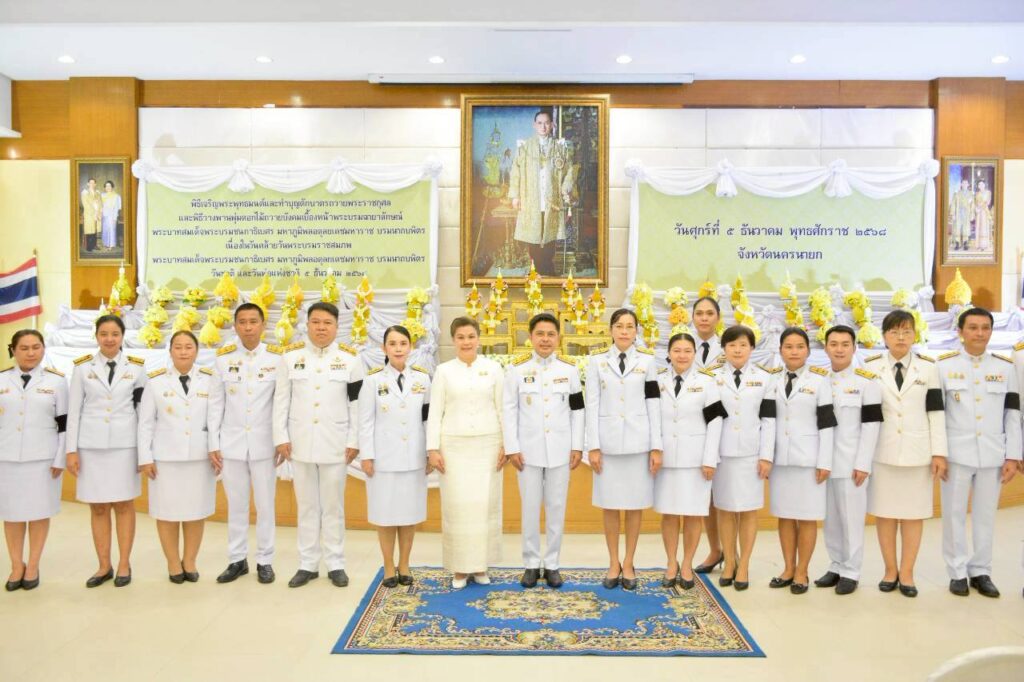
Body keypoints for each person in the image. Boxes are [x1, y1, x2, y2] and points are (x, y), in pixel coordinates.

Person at [273, 302, 364, 589]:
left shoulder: (351, 360)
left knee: (333, 507)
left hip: (336, 444)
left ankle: (336, 563)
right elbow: (281, 401)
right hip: (299, 443)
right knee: (307, 506)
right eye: (315, 322)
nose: (321, 328)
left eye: (327, 323)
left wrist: (354, 440)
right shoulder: (290, 358)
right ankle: (307, 564)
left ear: (336, 327)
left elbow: (357, 405)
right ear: (307, 324)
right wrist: (280, 437)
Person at [937, 307, 1021, 598]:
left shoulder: (1005, 367)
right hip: (956, 454)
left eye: (985, 328)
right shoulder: (943, 366)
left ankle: (981, 570)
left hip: (992, 453)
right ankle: (957, 571)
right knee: (954, 514)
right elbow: (937, 414)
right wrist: (939, 453)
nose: (979, 333)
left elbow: (1012, 413)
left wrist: (1013, 455)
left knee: (986, 516)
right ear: (960, 332)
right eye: (973, 327)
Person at [864, 310, 947, 598]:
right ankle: (890, 570)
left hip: (918, 452)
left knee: (913, 515)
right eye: (894, 332)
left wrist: (939, 453)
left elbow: (936, 411)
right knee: (885, 514)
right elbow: (868, 415)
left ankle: (908, 572)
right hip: (882, 451)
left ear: (915, 335)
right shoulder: (870, 366)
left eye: (906, 331)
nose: (901, 337)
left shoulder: (929, 367)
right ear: (884, 336)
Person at [65, 315, 147, 588]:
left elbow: (143, 414)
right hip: (92, 447)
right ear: (96, 336)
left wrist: (144, 452)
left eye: (115, 334)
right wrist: (71, 450)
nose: (109, 339)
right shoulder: (82, 368)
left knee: (124, 504)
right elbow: (73, 412)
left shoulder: (137, 368)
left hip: (125, 446)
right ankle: (103, 565)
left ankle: (124, 563)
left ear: (123, 336)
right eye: (104, 334)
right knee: (98, 507)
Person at [503, 313, 584, 589]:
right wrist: (512, 447)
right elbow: (508, 410)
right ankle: (530, 563)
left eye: (551, 334)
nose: (545, 339)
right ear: (530, 337)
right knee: (529, 508)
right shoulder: (516, 369)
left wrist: (577, 445)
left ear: (558, 337)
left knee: (556, 507)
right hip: (527, 452)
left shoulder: (569, 370)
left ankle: (552, 564)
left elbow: (577, 410)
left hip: (560, 450)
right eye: (540, 334)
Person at [137, 330, 223, 583]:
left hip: (200, 457)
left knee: (196, 511)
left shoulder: (209, 379)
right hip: (165, 459)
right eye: (178, 347)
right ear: (170, 351)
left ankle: (190, 560)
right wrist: (145, 457)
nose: (183, 352)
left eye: (188, 347)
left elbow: (215, 418)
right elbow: (145, 423)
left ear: (196, 350)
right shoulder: (155, 381)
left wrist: (215, 448)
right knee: (167, 513)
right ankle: (173, 562)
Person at [585, 308, 662, 591]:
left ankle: (629, 562)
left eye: (630, 326)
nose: (625, 331)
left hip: (638, 443)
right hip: (607, 444)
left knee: (634, 505)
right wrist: (593, 445)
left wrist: (656, 446)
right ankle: (613, 562)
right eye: (619, 326)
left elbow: (653, 403)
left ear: (636, 331)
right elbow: (591, 404)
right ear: (611, 330)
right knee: (609, 505)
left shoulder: (647, 362)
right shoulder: (596, 362)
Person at [426, 317, 506, 590]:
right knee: (458, 507)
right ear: (453, 340)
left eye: (471, 336)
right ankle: (460, 568)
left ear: (478, 338)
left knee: (485, 506)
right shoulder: (443, 371)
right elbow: (435, 412)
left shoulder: (494, 369)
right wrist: (432, 449)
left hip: (488, 445)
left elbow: (502, 408)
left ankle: (481, 566)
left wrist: (506, 445)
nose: (466, 342)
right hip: (454, 447)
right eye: (461, 337)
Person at [210, 304, 282, 585]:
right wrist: (213, 442)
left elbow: (281, 404)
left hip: (265, 444)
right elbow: (215, 404)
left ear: (263, 325)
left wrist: (281, 439)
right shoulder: (222, 359)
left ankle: (265, 560)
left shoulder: (277, 358)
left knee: (265, 506)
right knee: (236, 505)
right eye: (242, 322)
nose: (248, 327)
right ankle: (236, 559)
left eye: (253, 321)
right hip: (232, 444)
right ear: (235, 326)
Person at [358, 325, 431, 588]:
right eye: (392, 343)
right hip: (384, 459)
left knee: (409, 514)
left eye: (403, 343)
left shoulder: (423, 379)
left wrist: (430, 452)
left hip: (414, 457)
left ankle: (405, 564)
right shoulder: (372, 380)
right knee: (385, 515)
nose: (398, 348)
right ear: (384, 348)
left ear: (410, 347)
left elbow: (428, 419)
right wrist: (367, 455)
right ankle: (389, 566)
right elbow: (365, 421)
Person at [768, 327, 836, 595]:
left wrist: (825, 461)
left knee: (807, 517)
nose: (794, 351)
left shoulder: (820, 380)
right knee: (785, 516)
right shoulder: (771, 379)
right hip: (780, 460)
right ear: (780, 350)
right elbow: (767, 420)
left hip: (809, 460)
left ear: (808, 350)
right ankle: (788, 568)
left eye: (799, 347)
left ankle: (802, 571)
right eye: (788, 347)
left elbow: (827, 424)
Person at [815, 325, 882, 595]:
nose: (839, 349)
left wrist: (863, 463)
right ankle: (836, 564)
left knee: (851, 520)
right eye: (834, 344)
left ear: (854, 348)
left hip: (851, 462)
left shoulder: (867, 382)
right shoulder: (819, 380)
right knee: (831, 519)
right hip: (823, 463)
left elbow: (871, 425)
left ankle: (851, 571)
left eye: (845, 344)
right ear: (826, 348)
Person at [655, 332, 725, 590]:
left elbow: (715, 421)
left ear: (694, 354)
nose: (682, 355)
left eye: (687, 351)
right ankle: (670, 563)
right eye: (677, 350)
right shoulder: (657, 380)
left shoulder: (707, 382)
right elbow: (652, 418)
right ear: (669, 353)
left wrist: (710, 458)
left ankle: (686, 564)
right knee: (669, 514)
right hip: (665, 459)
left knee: (694, 513)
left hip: (696, 460)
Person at [0, 330, 67, 591]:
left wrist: (60, 457)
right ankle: (16, 565)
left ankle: (34, 565)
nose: (31, 353)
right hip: (6, 458)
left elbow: (64, 424)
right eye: (24, 348)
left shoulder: (57, 381)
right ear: (13, 350)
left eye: (36, 347)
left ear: (43, 349)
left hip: (43, 459)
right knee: (12, 514)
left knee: (39, 512)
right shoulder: (2, 379)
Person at [713, 325, 777, 591]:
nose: (737, 350)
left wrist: (766, 456)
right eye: (732, 345)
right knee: (725, 509)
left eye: (742, 345)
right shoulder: (712, 377)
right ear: (724, 349)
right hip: (722, 453)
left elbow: (769, 419)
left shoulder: (765, 378)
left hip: (752, 454)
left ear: (752, 348)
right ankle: (730, 561)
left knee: (749, 509)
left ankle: (745, 565)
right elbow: (709, 419)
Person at [508, 109, 576, 273]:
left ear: (552, 125)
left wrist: (565, 188)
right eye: (540, 123)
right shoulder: (524, 147)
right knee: (534, 238)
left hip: (552, 201)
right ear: (534, 125)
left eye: (546, 123)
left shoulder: (560, 147)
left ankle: (548, 270)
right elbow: (515, 172)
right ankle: (537, 271)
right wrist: (515, 196)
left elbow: (569, 170)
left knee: (550, 237)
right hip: (531, 199)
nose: (543, 127)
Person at [690, 296, 727, 575]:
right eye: (699, 313)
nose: (704, 318)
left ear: (718, 317)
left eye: (709, 313)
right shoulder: (682, 345)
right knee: (705, 497)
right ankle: (716, 549)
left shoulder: (729, 346)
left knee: (725, 496)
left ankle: (732, 555)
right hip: (692, 430)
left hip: (723, 426)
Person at [948, 178, 974, 251]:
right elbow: (953, 204)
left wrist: (972, 214)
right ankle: (957, 243)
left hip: (966, 213)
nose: (964, 185)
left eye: (966, 183)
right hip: (958, 213)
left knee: (966, 228)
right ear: (961, 184)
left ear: (968, 184)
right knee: (957, 227)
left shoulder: (971, 194)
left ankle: (965, 243)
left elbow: (972, 205)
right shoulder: (957, 193)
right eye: (963, 183)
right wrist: (953, 214)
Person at [81, 177, 102, 253]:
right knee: (90, 230)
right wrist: (94, 213)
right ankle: (89, 247)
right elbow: (85, 204)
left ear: (95, 184)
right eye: (90, 183)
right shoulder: (85, 193)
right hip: (89, 214)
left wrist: (99, 212)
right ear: (88, 184)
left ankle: (94, 245)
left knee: (95, 230)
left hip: (97, 213)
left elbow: (100, 203)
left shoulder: (97, 193)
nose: (92, 184)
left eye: (93, 183)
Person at [100, 180, 122, 251]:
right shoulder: (102, 195)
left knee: (111, 230)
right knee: (105, 230)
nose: (108, 187)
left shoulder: (116, 196)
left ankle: (111, 245)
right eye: (106, 186)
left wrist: (115, 218)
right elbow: (100, 206)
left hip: (112, 216)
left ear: (112, 187)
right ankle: (105, 244)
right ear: (105, 187)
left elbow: (117, 208)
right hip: (104, 215)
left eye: (109, 186)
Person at [974, 179, 993, 251]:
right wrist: (976, 208)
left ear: (984, 185)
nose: (981, 185)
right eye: (979, 184)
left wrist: (980, 206)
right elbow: (975, 203)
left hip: (985, 211)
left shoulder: (988, 193)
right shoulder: (977, 194)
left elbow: (988, 202)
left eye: (982, 184)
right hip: (979, 213)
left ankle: (984, 245)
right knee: (979, 227)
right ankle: (979, 245)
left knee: (984, 228)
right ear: (978, 186)